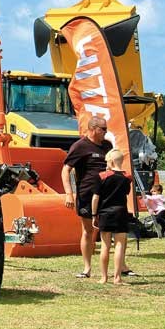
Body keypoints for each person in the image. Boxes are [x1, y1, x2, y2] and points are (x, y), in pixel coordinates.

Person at [62, 116, 113, 278]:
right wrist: (69, 194)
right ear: (93, 129)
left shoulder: (107, 146)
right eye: (103, 129)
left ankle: (121, 267)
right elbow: (65, 170)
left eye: (106, 129)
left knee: (110, 230)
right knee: (88, 230)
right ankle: (87, 268)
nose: (106, 132)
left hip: (107, 194)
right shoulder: (80, 146)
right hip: (86, 194)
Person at [91, 149, 132, 284]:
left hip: (105, 213)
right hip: (121, 212)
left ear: (111, 161)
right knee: (120, 245)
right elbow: (126, 193)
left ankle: (103, 277)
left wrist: (93, 214)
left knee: (105, 246)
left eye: (107, 161)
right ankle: (117, 278)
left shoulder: (102, 176)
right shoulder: (127, 177)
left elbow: (95, 198)